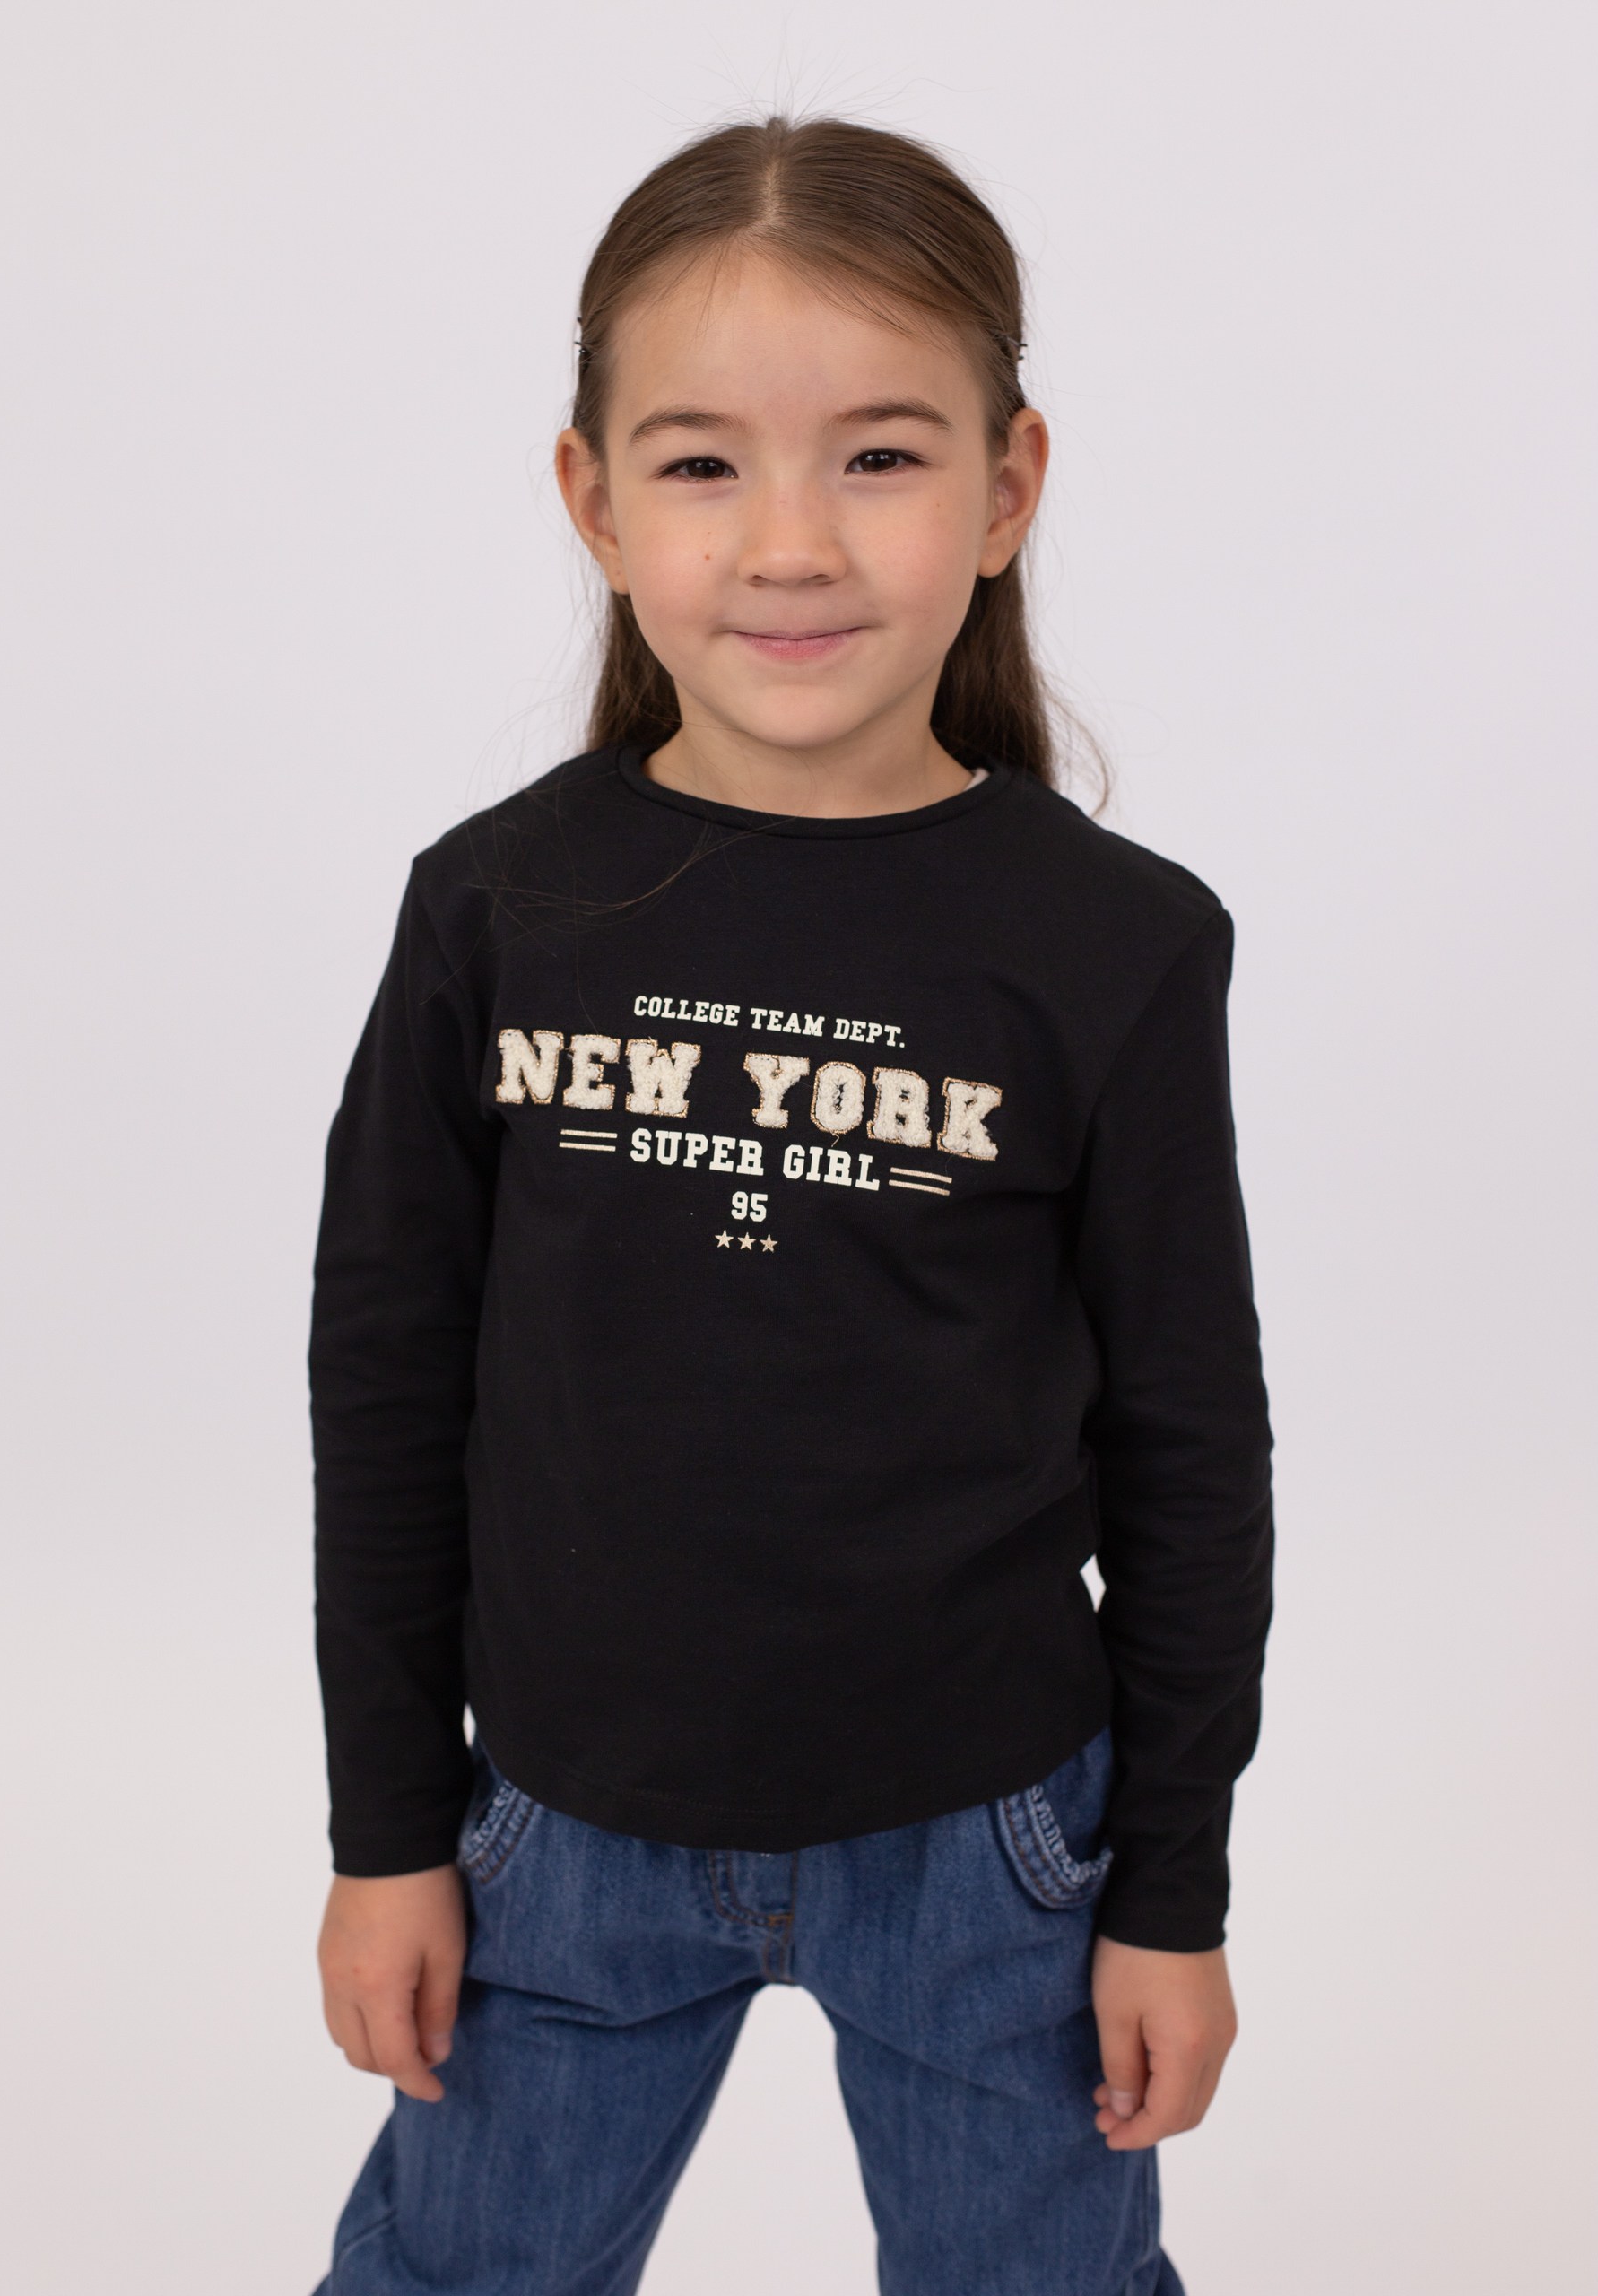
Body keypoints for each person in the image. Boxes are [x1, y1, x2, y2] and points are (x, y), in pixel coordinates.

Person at [307, 110, 1274, 2296]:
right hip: (557, 1830)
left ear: (1008, 488)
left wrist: (1171, 1889)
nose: (792, 542)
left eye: (882, 455)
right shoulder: (494, 910)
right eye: (704, 461)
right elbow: (385, 1392)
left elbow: (1192, 1444)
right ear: (596, 501)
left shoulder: (1118, 946)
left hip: (994, 1842)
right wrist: (388, 1832)